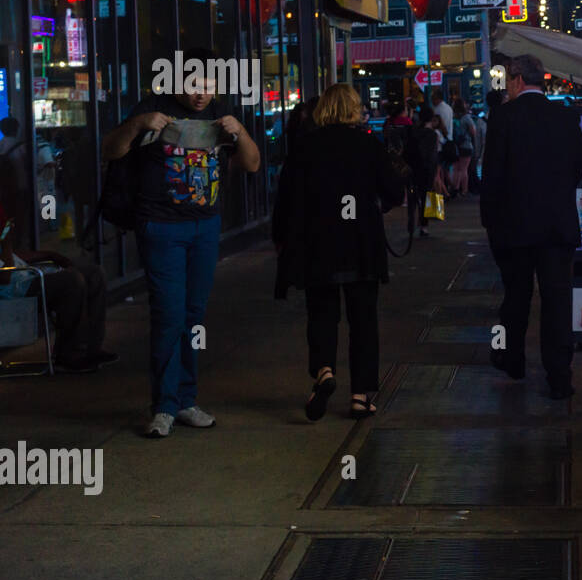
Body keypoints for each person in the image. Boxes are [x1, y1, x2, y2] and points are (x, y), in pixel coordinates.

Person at [101, 48, 260, 437]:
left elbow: (253, 163)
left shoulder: (220, 115)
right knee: (169, 315)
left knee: (193, 316)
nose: (200, 94)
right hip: (161, 226)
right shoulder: (153, 106)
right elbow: (110, 151)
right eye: (193, 85)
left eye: (208, 86)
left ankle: (186, 400)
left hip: (205, 227)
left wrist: (239, 132)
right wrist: (139, 123)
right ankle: (164, 406)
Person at [273, 83, 405, 420]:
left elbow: (285, 198)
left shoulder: (305, 147)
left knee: (322, 314)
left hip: (318, 244)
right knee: (363, 320)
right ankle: (360, 395)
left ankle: (324, 371)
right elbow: (393, 191)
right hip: (361, 244)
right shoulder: (368, 145)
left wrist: (281, 240)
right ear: (354, 109)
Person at [480, 54, 582, 399]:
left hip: (514, 226)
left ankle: (513, 360)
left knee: (516, 297)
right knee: (557, 300)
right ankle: (559, 376)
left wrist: (490, 222)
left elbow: (492, 176)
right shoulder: (565, 116)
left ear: (516, 79)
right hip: (557, 225)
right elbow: (578, 166)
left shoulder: (503, 118)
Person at [0, 209, 117, 371]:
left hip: (27, 277)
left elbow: (13, 256)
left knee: (94, 274)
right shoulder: (4, 242)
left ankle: (92, 347)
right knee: (71, 281)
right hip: (14, 291)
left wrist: (50, 255)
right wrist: (6, 241)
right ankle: (70, 353)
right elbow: (4, 277)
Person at [403, 104, 440, 238]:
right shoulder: (432, 134)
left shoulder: (413, 132)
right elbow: (432, 156)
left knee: (412, 197)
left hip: (413, 168)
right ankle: (424, 226)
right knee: (426, 198)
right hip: (427, 170)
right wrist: (436, 173)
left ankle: (411, 220)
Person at [449, 98, 475, 197]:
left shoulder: (453, 117)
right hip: (466, 145)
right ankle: (464, 189)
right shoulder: (466, 118)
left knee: (456, 168)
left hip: (455, 146)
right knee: (464, 169)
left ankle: (455, 188)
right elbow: (473, 132)